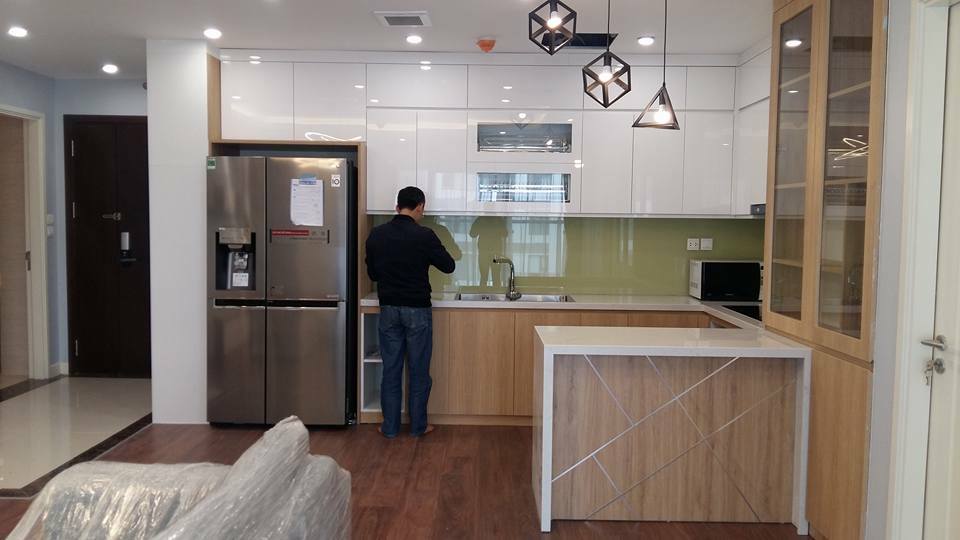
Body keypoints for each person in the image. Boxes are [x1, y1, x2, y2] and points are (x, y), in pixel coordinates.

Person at [365, 186, 455, 438]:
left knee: (391, 370)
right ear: (420, 207)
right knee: (418, 371)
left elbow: (373, 274)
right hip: (417, 310)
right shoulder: (425, 235)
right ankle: (418, 427)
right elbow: (448, 266)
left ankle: (390, 427)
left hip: (388, 309)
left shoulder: (377, 234)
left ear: (397, 207)